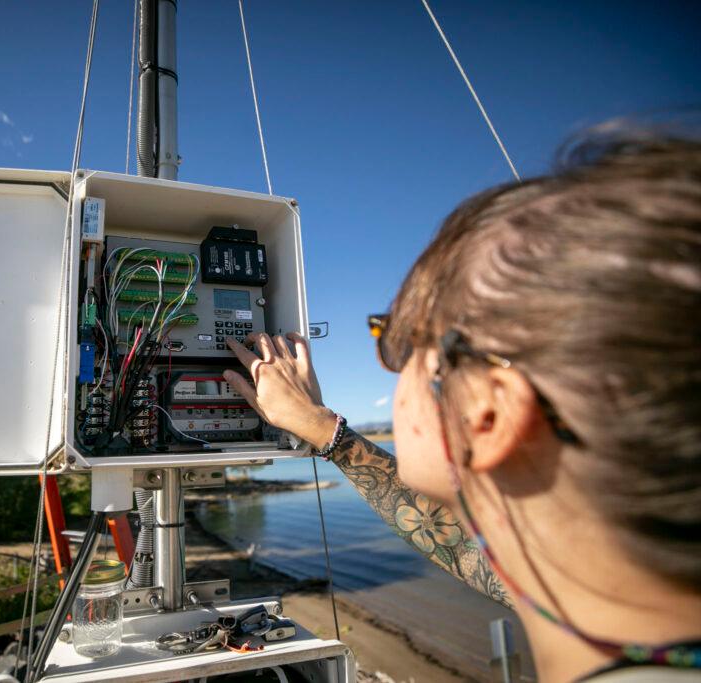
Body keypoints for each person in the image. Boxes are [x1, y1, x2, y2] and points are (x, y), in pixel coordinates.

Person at [222, 129, 701, 682]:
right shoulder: (598, 586)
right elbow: (456, 543)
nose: (392, 369)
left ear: (488, 413)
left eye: (399, 342)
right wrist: (327, 432)